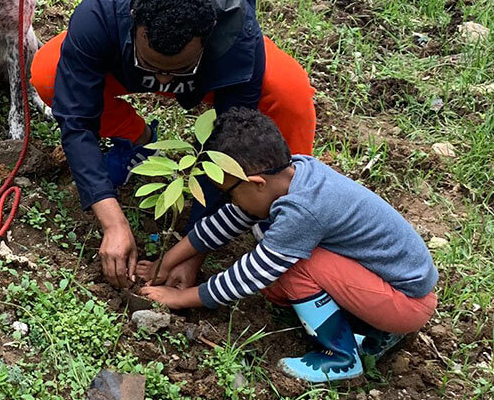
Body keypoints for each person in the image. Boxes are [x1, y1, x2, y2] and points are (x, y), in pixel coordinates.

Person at [30, 0, 316, 289]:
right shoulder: (100, 14)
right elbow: (76, 119)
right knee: (49, 73)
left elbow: (231, 137)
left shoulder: (236, 33)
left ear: (207, 39)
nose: (163, 84)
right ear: (134, 26)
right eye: (152, 66)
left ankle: (288, 195)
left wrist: (194, 251)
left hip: (212, 75)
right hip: (123, 68)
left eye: (177, 70)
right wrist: (113, 223)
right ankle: (137, 138)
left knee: (289, 92)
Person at [137, 107, 438, 383]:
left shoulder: (303, 210)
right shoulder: (295, 172)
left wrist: (181, 298)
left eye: (228, 193)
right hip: (394, 285)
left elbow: (253, 273)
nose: (228, 202)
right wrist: (166, 265)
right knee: (280, 278)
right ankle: (376, 333)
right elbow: (225, 222)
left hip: (406, 302)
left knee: (293, 268)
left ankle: (343, 358)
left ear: (256, 183)